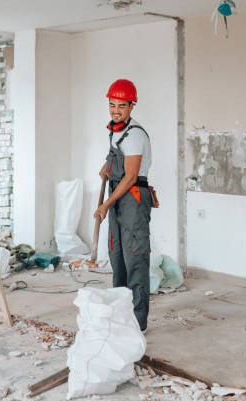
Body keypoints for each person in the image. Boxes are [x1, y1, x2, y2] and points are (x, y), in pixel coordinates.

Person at [94, 79, 153, 333]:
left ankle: (138, 323)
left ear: (131, 106)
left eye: (121, 105)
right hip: (118, 195)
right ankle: (120, 313)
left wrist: (106, 204)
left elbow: (130, 176)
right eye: (112, 104)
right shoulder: (116, 130)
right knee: (117, 257)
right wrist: (107, 166)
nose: (116, 110)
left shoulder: (135, 134)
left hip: (133, 198)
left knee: (135, 260)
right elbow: (116, 160)